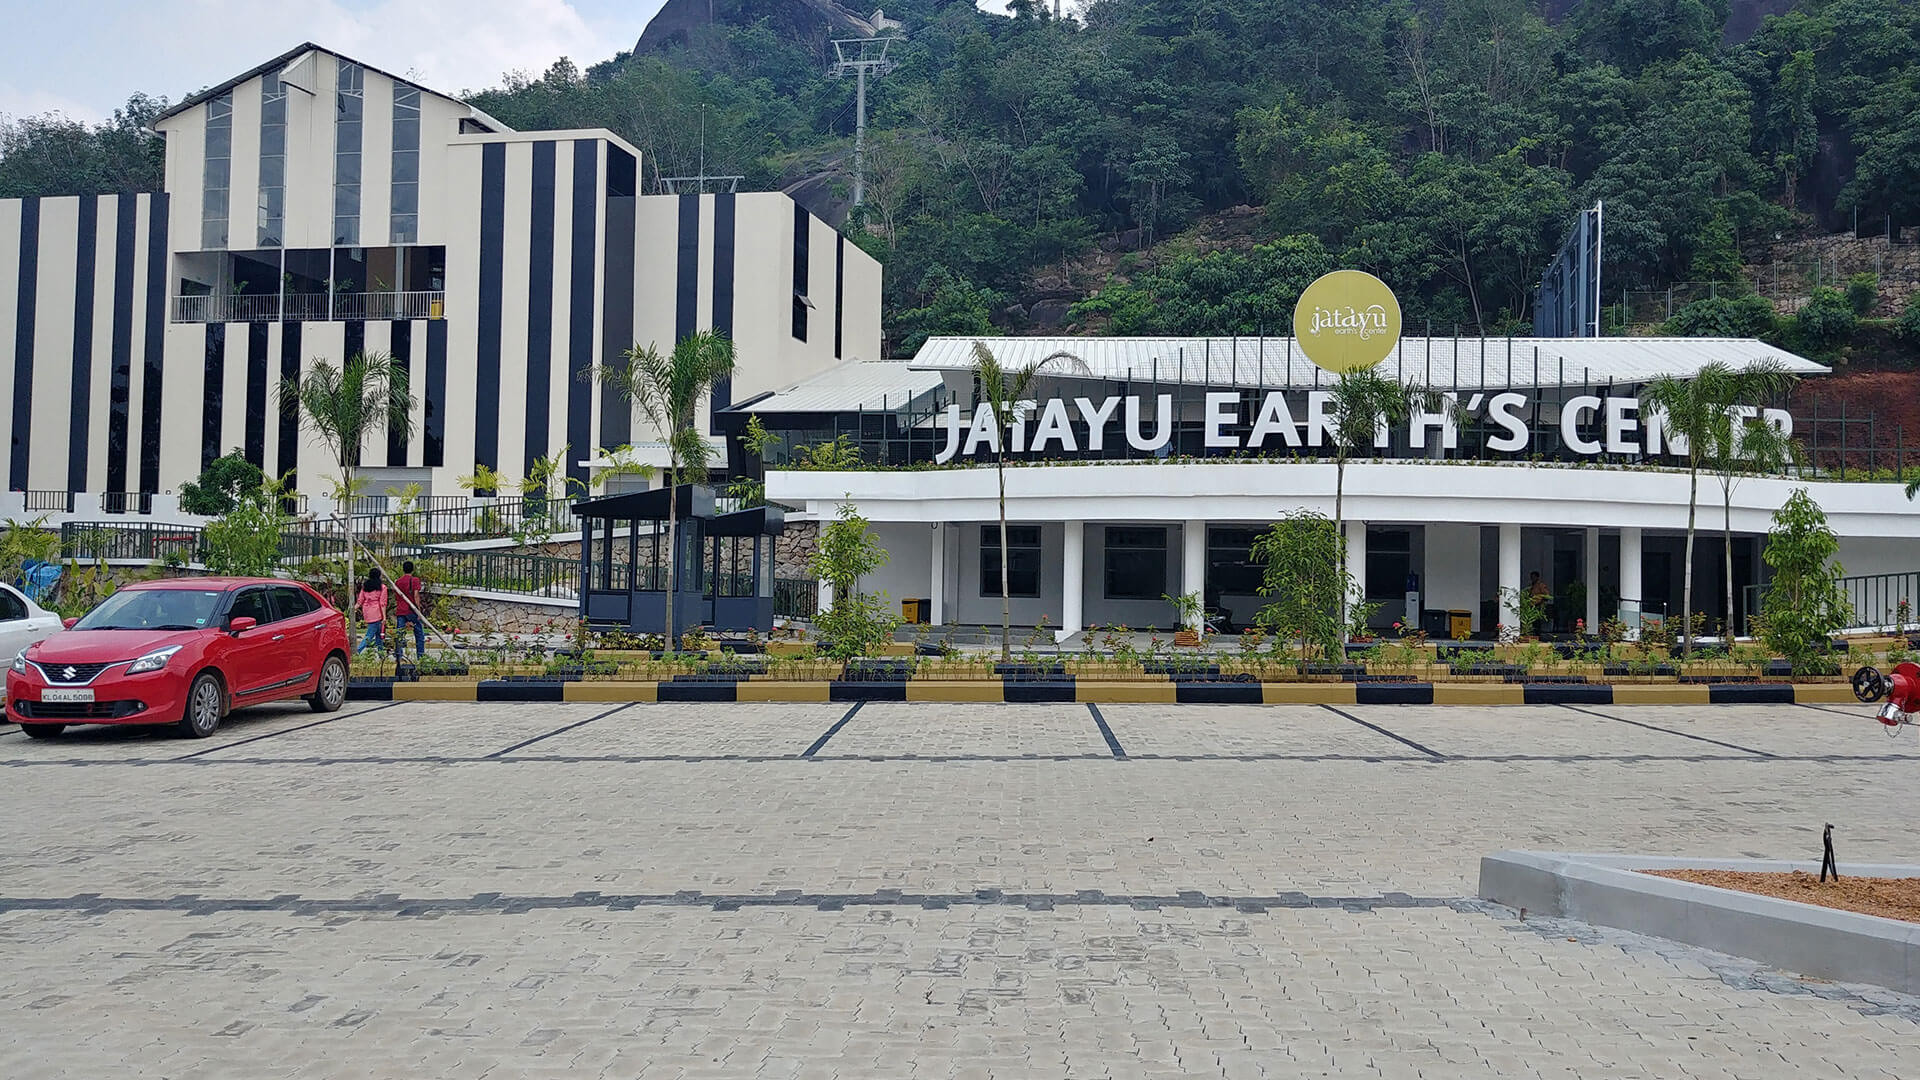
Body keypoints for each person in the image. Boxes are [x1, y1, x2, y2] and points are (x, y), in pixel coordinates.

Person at [393, 560, 426, 660]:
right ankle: (420, 656)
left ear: (403, 569)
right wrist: (418, 610)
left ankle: (399, 655)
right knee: (419, 633)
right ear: (412, 569)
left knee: (399, 633)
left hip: (401, 610)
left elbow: (397, 597)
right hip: (411, 610)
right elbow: (416, 595)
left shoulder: (398, 581)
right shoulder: (414, 580)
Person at [355, 569, 388, 655]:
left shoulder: (365, 586)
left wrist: (353, 609)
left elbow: (360, 600)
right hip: (377, 612)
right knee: (370, 635)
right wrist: (384, 617)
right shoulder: (382, 587)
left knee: (378, 634)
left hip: (367, 610)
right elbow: (383, 603)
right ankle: (357, 651)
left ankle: (381, 654)